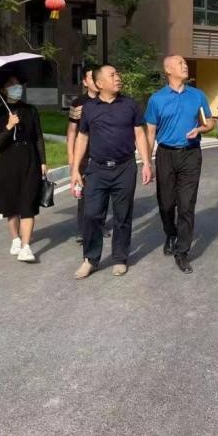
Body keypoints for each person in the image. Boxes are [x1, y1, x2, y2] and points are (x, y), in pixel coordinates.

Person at [71, 64, 153, 279]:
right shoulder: (89, 108)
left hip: (125, 168)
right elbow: (82, 137)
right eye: (112, 75)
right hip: (97, 169)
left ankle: (120, 258)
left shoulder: (130, 104)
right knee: (91, 214)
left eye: (117, 74)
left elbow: (140, 134)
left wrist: (146, 162)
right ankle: (90, 259)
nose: (118, 77)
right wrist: (75, 169)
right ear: (99, 83)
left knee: (122, 216)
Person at [144, 55, 215, 274]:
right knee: (166, 204)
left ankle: (182, 251)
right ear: (168, 70)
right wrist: (146, 162)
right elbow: (150, 133)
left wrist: (200, 129)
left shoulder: (197, 95)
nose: (185, 66)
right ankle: (170, 233)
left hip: (191, 154)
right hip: (165, 154)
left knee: (186, 204)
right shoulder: (156, 99)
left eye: (185, 63)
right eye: (180, 63)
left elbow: (210, 122)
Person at [0, 76, 48, 262]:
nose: (16, 87)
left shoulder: (31, 110)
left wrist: (43, 161)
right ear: (3, 90)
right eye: (11, 84)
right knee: (11, 205)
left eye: (17, 83)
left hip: (30, 159)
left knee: (28, 203)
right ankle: (15, 239)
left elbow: (38, 137)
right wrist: (9, 126)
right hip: (8, 161)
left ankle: (26, 247)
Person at [66, 69, 110, 243]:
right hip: (84, 154)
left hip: (104, 153)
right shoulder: (78, 104)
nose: (94, 80)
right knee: (84, 193)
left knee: (103, 192)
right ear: (85, 82)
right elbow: (72, 131)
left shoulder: (108, 100)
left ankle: (100, 225)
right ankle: (83, 229)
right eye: (91, 78)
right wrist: (71, 156)